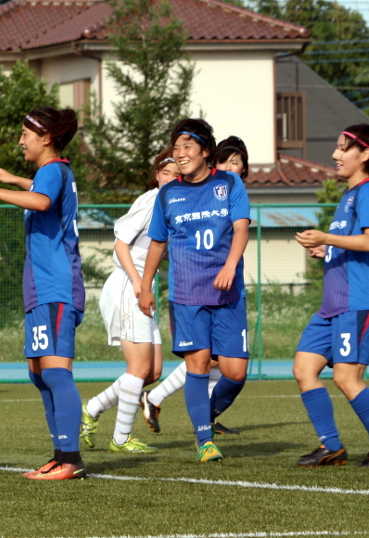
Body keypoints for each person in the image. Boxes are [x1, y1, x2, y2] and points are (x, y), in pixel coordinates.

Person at [0, 107, 85, 480]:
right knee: (39, 373)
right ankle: (59, 454)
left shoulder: (51, 172)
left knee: (55, 372)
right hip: (41, 288)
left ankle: (71, 459)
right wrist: (15, 179)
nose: (20, 140)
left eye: (25, 133)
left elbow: (42, 201)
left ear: (46, 137)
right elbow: (38, 191)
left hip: (56, 286)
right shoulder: (50, 172)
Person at [138, 118, 250, 463]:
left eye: (188, 147)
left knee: (235, 372)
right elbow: (157, 243)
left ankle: (205, 416)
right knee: (198, 364)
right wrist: (145, 287)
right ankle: (205, 440)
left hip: (228, 293)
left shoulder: (229, 183)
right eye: (176, 148)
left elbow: (241, 229)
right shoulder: (169, 193)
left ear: (205, 151)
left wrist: (231, 265)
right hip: (187, 294)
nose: (180, 154)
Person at [79, 148, 179, 452]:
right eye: (167, 173)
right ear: (157, 175)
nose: (173, 178)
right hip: (128, 284)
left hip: (142, 285)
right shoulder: (153, 200)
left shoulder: (173, 203)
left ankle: (93, 407)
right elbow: (121, 245)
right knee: (138, 368)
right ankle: (121, 438)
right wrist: (139, 284)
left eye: (178, 174)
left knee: (153, 371)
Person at [292, 124, 369, 467]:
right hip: (333, 305)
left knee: (346, 377)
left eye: (343, 148)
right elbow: (356, 245)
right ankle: (332, 446)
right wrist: (327, 249)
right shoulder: (349, 195)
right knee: (303, 368)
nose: (335, 155)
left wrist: (326, 237)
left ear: (366, 154)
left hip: (357, 301)